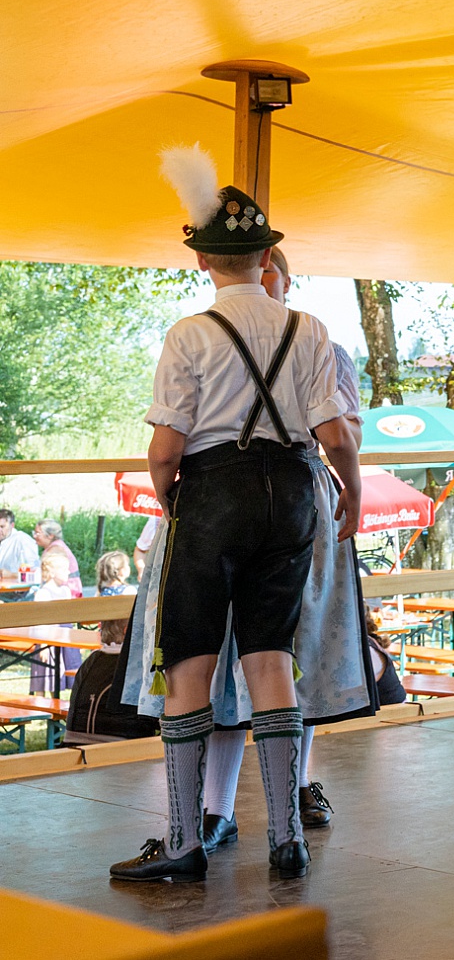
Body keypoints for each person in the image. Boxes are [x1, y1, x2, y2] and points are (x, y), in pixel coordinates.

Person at [109, 146, 361, 884]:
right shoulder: (309, 329)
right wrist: (348, 492)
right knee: (271, 657)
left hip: (214, 493)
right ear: (263, 257)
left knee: (189, 662)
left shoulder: (190, 334)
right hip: (292, 493)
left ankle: (184, 841)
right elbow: (336, 434)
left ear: (202, 260)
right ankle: (287, 839)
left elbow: (166, 449)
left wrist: (170, 494)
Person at [191, 244, 373, 849]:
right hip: (272, 500)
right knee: (231, 649)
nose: (264, 279)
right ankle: (219, 808)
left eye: (273, 272)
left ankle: (291, 785)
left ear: (286, 280)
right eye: (260, 268)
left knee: (296, 645)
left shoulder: (318, 345)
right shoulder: (221, 337)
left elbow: (343, 433)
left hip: (285, 499)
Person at [66, 618, 159, 741]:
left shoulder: (91, 660)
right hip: (118, 745)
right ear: (128, 631)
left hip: (74, 742)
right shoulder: (136, 665)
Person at [28, 553, 81, 694]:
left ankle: (56, 702)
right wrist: (43, 645)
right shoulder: (43, 593)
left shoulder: (65, 591)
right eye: (64, 569)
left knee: (60, 675)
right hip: (48, 640)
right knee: (45, 676)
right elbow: (40, 621)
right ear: (52, 573)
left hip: (64, 639)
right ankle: (40, 703)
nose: (68, 572)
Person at [32, 520, 83, 596]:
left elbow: (50, 574)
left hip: (65, 590)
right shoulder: (54, 546)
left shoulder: (56, 550)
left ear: (51, 535)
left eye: (38, 533)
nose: (34, 536)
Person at [0, 508, 41, 578]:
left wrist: (12, 575)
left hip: (17, 584)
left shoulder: (23, 540)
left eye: (2, 527)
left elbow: (34, 572)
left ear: (12, 525)